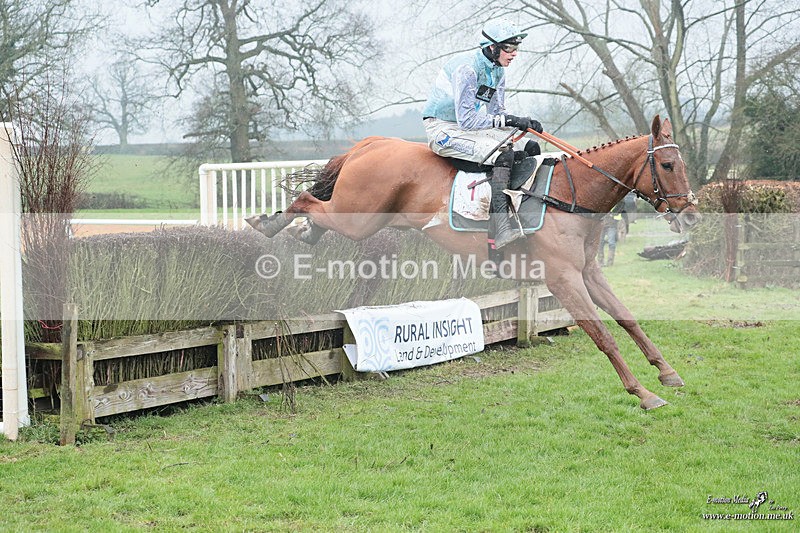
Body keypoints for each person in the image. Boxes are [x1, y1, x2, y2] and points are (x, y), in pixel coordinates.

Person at [422, 19, 544, 250]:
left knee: (530, 147)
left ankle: (523, 213)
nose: (514, 53)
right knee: (501, 155)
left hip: (472, 128)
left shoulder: (498, 72)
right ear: (492, 48)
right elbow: (467, 120)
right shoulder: (467, 69)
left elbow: (497, 114)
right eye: (509, 48)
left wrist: (522, 122)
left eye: (516, 48)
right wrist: (509, 121)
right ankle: (501, 229)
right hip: (443, 129)